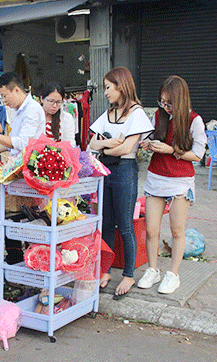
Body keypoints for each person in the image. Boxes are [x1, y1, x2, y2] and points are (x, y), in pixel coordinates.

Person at [137, 75, 207, 294]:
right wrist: (147, 143)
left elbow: (198, 154)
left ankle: (173, 274)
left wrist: (171, 151)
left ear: (181, 100)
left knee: (177, 230)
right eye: (162, 102)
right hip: (156, 177)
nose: (165, 107)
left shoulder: (194, 120)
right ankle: (153, 269)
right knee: (151, 230)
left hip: (180, 180)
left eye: (169, 103)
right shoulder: (159, 116)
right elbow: (149, 134)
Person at [88, 67, 153, 300]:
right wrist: (108, 145)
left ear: (121, 86)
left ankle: (128, 274)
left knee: (125, 225)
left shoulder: (137, 113)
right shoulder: (108, 114)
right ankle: (104, 270)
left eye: (108, 87)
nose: (105, 92)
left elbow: (127, 149)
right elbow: (91, 145)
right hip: (105, 170)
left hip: (125, 170)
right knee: (105, 224)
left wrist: (104, 145)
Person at [0, 72, 44, 156]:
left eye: (4, 96)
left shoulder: (32, 109)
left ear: (16, 90)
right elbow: (11, 142)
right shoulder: (18, 109)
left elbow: (23, 143)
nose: (3, 100)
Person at [40, 82, 76, 147]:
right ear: (42, 99)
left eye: (58, 102)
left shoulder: (66, 118)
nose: (54, 105)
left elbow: (70, 144)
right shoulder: (32, 116)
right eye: (51, 101)